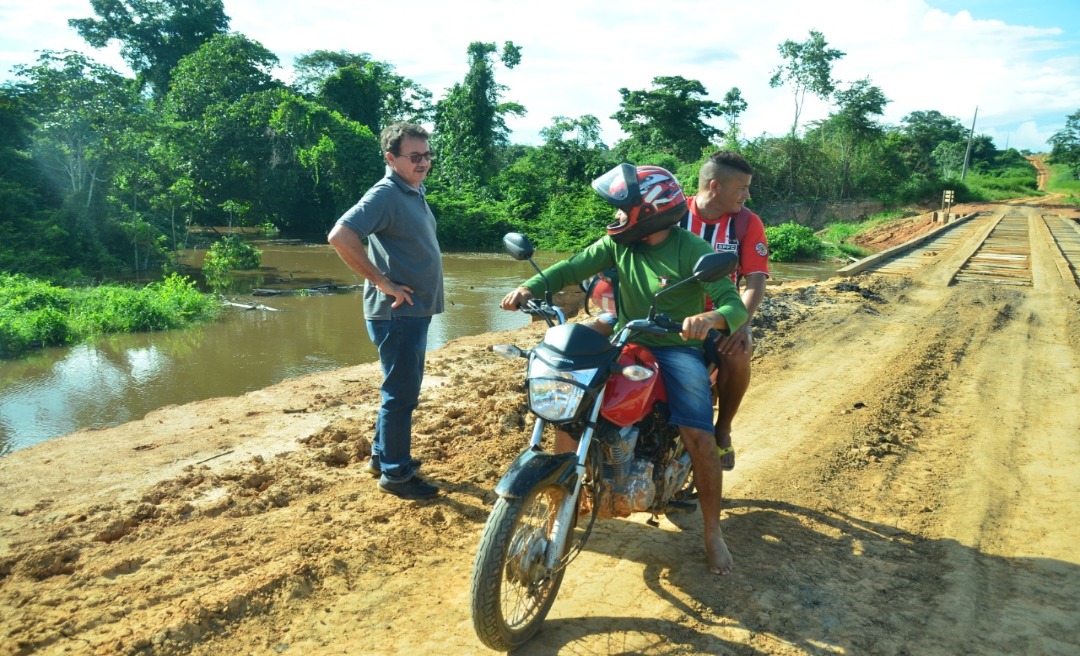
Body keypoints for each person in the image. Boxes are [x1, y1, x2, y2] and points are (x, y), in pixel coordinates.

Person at [500, 164, 748, 575]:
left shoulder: (692, 250)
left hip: (674, 347)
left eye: (622, 210)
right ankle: (570, 489)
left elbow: (733, 304)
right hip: (624, 340)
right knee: (574, 398)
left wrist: (709, 320)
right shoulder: (619, 245)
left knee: (699, 437)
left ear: (649, 211)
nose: (615, 218)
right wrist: (531, 288)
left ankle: (712, 532)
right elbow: (571, 268)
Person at [328, 123, 443, 500]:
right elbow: (340, 235)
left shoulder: (411, 188)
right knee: (402, 395)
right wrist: (383, 282)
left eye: (426, 155)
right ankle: (396, 474)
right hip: (397, 313)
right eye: (414, 157)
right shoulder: (385, 193)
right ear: (390, 158)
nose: (423, 162)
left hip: (410, 312)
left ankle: (382, 457)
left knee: (398, 389)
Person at [678, 151, 770, 472]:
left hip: (719, 317)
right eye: (741, 187)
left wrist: (740, 323)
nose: (747, 195)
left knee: (738, 352)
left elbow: (755, 280)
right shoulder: (674, 214)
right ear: (715, 186)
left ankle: (724, 427)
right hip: (670, 313)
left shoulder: (746, 222)